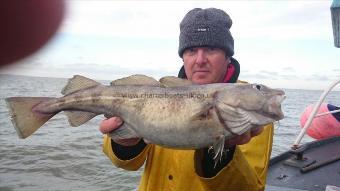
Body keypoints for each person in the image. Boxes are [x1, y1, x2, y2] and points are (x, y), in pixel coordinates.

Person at [100, 8, 274, 191]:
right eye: (191, 50)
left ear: (228, 56)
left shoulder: (251, 105)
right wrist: (124, 143)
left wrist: (222, 151)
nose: (200, 60)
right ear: (183, 57)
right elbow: (127, 165)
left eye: (211, 49)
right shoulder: (158, 94)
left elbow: (249, 188)